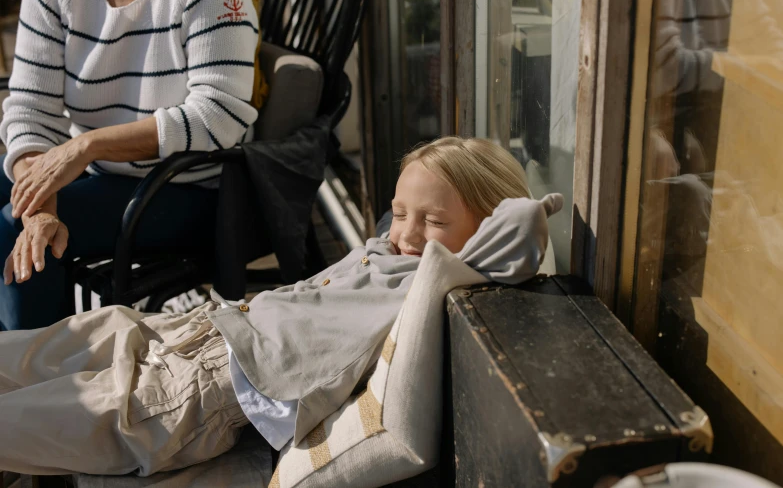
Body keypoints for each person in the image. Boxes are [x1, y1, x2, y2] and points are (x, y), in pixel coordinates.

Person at [0, 137, 563, 476]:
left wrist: (535, 205)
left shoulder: (436, 275)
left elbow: (516, 233)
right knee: (32, 350)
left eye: (434, 221)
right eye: (399, 211)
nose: (406, 233)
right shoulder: (387, 251)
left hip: (196, 395)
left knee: (24, 420)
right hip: (193, 330)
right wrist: (418, 212)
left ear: (483, 229)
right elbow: (400, 223)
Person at [0, 0, 264, 329]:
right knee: (30, 223)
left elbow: (218, 117)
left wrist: (87, 147)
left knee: (12, 227)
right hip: (95, 173)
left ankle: (40, 377)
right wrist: (40, 208)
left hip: (186, 186)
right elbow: (31, 110)